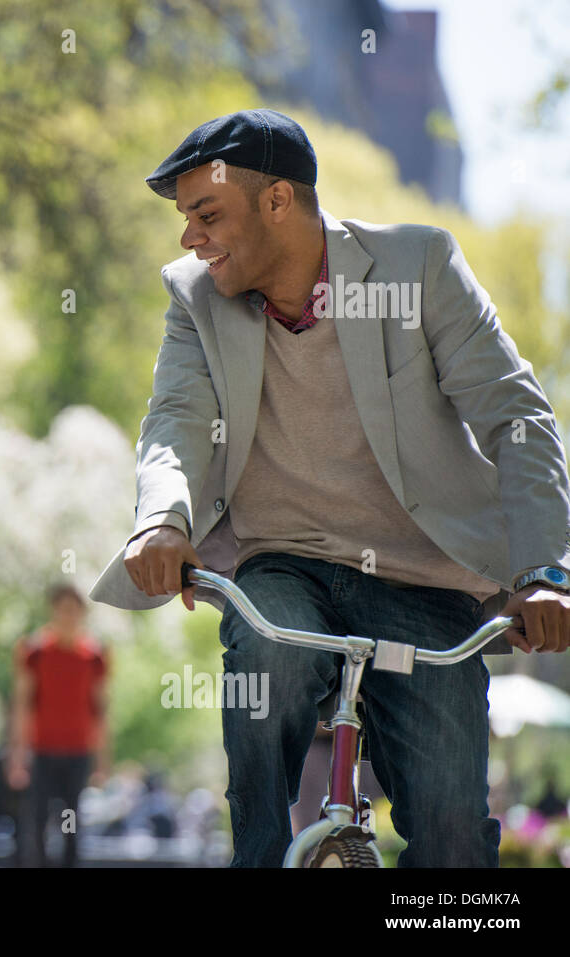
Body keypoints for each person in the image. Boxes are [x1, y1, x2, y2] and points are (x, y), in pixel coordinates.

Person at [90, 109, 570, 867]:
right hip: (285, 563)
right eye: (186, 219)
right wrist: (161, 521)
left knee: (452, 838)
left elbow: (516, 415)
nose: (190, 237)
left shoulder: (418, 266)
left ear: (279, 200)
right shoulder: (196, 298)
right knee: (267, 662)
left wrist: (543, 572)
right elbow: (175, 422)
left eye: (206, 213)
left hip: (425, 578)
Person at [8, 583, 109, 867]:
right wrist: (17, 756)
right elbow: (22, 705)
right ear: (53, 611)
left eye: (74, 610)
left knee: (73, 823)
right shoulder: (33, 652)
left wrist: (102, 761)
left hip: (78, 751)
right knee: (37, 822)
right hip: (42, 750)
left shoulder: (95, 656)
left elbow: (101, 711)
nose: (69, 616)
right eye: (63, 610)